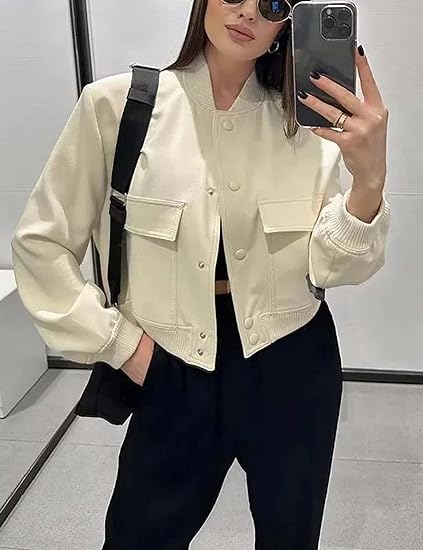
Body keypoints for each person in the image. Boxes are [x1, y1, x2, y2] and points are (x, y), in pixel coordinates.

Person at [11, 0, 391, 548]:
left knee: (291, 537)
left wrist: (369, 180)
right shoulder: (118, 108)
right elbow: (41, 245)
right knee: (138, 536)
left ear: (287, 23)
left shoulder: (310, 126)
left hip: (291, 362)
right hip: (170, 361)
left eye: (272, 4)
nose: (248, 13)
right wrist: (123, 348)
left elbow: (335, 267)